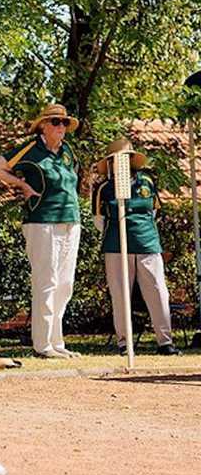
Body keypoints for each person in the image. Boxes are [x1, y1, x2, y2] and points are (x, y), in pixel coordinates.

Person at [0, 103, 81, 359]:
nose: (61, 127)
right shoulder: (29, 148)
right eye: (56, 122)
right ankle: (43, 345)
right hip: (42, 221)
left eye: (64, 123)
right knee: (46, 281)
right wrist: (21, 185)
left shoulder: (67, 151)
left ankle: (57, 341)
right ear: (43, 126)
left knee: (65, 284)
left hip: (71, 220)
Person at [92, 137, 180, 356]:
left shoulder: (146, 182)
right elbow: (98, 220)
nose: (122, 163)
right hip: (116, 246)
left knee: (158, 291)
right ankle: (125, 342)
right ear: (111, 163)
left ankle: (165, 341)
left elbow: (154, 211)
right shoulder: (104, 188)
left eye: (126, 158)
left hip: (147, 243)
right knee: (121, 294)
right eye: (117, 159)